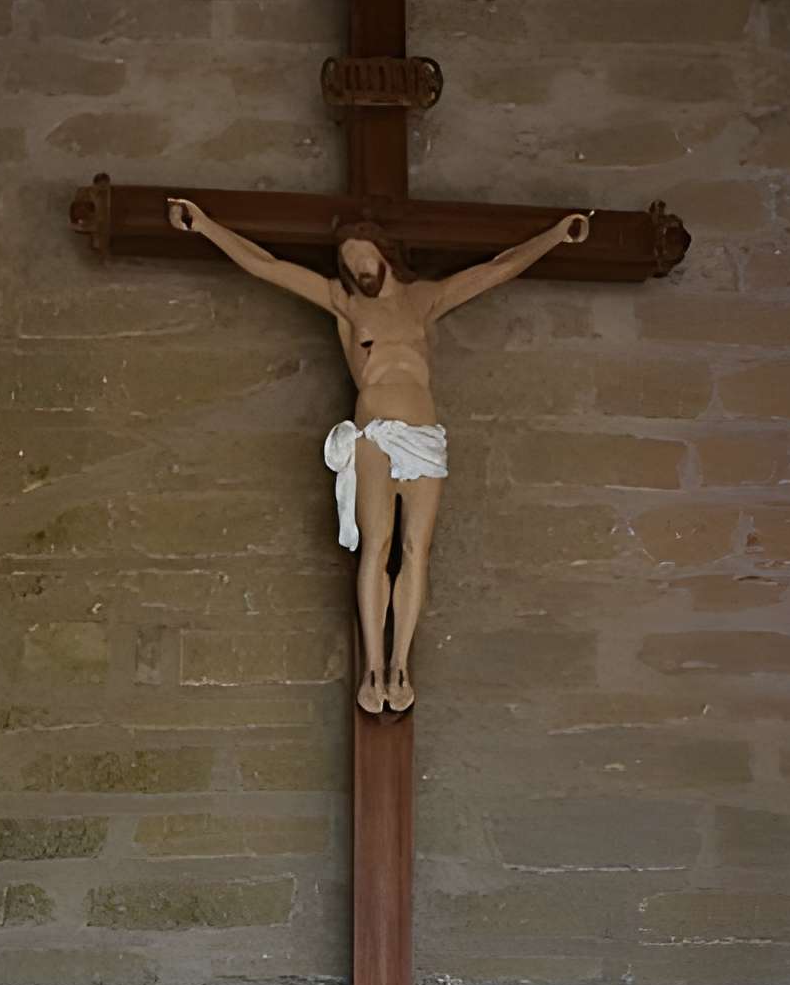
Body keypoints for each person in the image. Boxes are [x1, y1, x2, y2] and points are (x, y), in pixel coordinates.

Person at [167, 199, 592, 713]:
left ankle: (401, 665)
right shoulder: (344, 303)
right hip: (374, 433)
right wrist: (207, 225)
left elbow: (495, 269)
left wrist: (555, 237)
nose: (356, 269)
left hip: (424, 437)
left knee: (416, 550)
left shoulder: (425, 299)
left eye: (362, 257)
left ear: (383, 253)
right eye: (347, 264)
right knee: (378, 545)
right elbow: (268, 266)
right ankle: (373, 666)